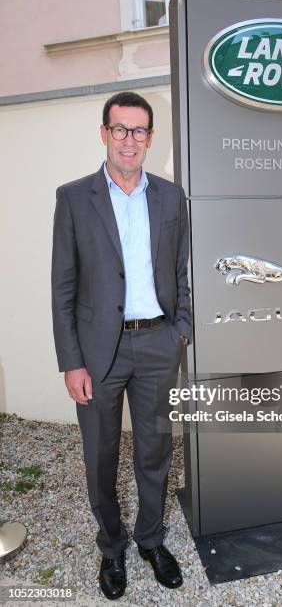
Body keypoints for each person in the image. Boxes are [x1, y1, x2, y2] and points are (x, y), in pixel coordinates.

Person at [51, 91, 191, 599]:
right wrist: (72, 361)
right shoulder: (73, 198)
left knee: (154, 451)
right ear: (104, 132)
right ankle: (112, 547)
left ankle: (151, 539)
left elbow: (182, 270)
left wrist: (181, 330)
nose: (129, 140)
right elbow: (62, 286)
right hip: (96, 354)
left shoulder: (172, 197)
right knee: (101, 456)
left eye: (139, 131)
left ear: (150, 138)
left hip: (158, 344)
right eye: (119, 129)